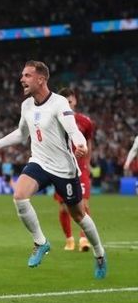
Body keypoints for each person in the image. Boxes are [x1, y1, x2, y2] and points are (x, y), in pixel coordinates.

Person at [0, 60, 107, 280]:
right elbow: (21, 134)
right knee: (19, 196)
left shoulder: (59, 103)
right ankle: (40, 242)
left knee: (79, 215)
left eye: (27, 75)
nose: (22, 79)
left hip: (64, 169)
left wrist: (80, 144)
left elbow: (72, 129)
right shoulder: (26, 105)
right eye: (22, 75)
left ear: (41, 79)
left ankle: (99, 254)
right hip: (39, 161)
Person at [54, 88, 94, 252]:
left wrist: (88, 162)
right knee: (64, 207)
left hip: (80, 168)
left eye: (70, 101)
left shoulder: (85, 121)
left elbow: (89, 143)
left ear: (75, 101)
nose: (67, 104)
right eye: (64, 101)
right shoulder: (54, 120)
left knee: (83, 204)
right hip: (61, 168)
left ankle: (84, 239)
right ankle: (69, 239)